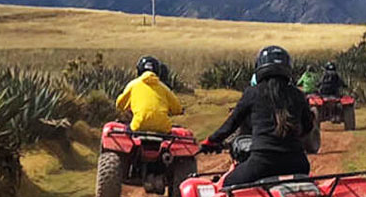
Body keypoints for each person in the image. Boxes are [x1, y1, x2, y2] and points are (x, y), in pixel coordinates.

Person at [203, 46, 317, 187]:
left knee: (224, 187)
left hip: (262, 165)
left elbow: (231, 124)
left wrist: (211, 141)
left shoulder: (253, 92)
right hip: (298, 165)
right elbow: (308, 126)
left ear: (259, 67)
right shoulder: (298, 95)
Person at [115, 55, 183, 133]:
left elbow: (119, 104)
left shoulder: (133, 85)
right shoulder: (164, 88)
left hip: (138, 125)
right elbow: (178, 109)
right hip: (163, 128)